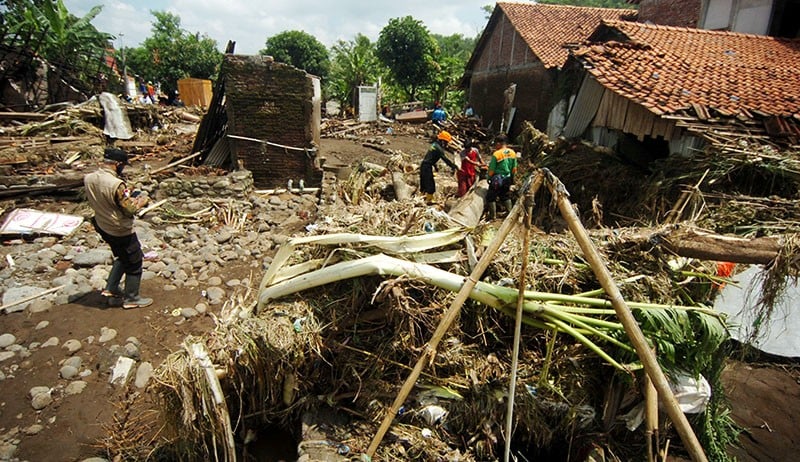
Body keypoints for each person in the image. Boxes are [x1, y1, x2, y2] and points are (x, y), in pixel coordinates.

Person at [84, 148, 153, 309]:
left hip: (102, 224)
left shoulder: (89, 178)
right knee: (134, 261)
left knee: (122, 255)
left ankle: (111, 288)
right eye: (122, 166)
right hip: (119, 228)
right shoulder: (115, 184)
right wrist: (142, 201)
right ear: (117, 164)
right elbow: (130, 209)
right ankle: (132, 298)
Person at [419, 130, 458, 204]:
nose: (446, 144)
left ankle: (421, 198)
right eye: (446, 142)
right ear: (443, 141)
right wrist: (453, 166)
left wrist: (435, 166)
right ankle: (429, 200)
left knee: (424, 183)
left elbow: (431, 156)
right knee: (430, 185)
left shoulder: (434, 145)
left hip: (424, 165)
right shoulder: (439, 149)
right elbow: (445, 159)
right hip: (427, 166)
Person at [486, 133, 518, 219]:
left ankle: (493, 216)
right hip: (507, 178)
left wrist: (488, 178)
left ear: (498, 143)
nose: (495, 146)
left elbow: (492, 169)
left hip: (497, 178)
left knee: (490, 197)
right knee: (505, 196)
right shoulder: (512, 153)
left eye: (495, 144)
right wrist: (512, 179)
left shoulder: (497, 154)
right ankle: (509, 214)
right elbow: (514, 168)